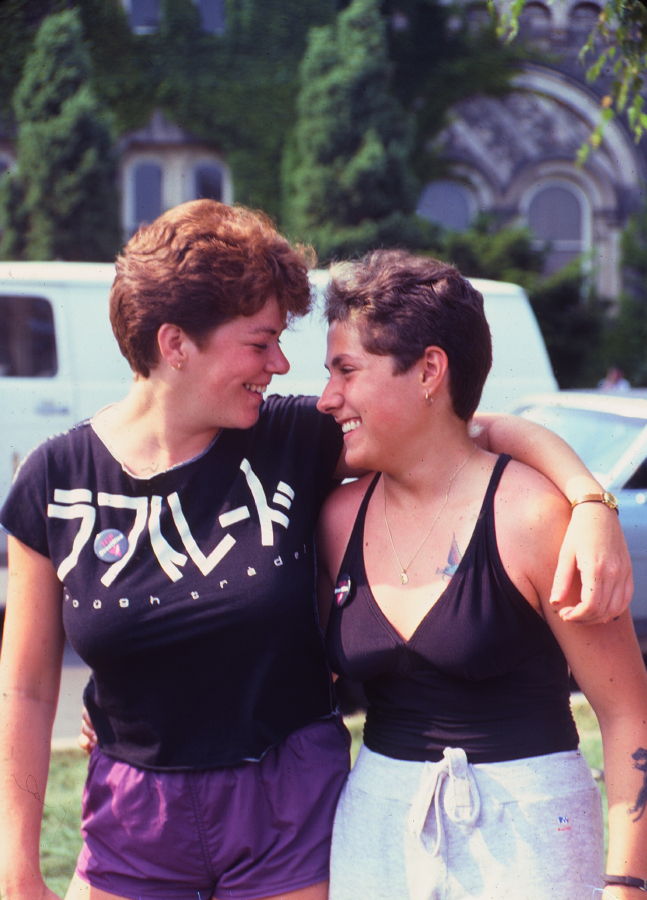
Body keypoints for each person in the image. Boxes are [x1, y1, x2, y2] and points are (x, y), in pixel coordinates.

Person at [0, 200, 633, 900]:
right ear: (175, 344)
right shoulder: (54, 481)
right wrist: (16, 862)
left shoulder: (292, 441)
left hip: (286, 797)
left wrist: (586, 499)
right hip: (133, 809)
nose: (279, 364)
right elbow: (25, 689)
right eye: (259, 341)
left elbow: (463, 430)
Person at [315, 249, 647, 900]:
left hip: (530, 836)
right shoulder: (336, 518)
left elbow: (628, 714)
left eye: (346, 371)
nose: (327, 398)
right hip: (374, 833)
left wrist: (625, 884)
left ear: (428, 371)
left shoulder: (532, 518)